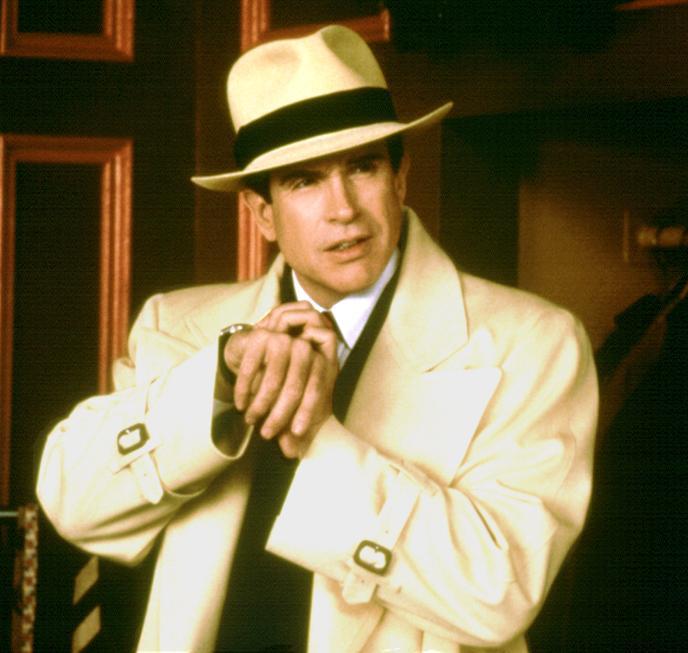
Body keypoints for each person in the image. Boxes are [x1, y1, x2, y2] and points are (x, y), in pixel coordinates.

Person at [35, 25, 597, 653]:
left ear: (400, 178)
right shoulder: (179, 327)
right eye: (305, 181)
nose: (343, 208)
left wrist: (318, 436)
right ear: (262, 215)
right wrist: (219, 383)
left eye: (363, 167)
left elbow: (500, 593)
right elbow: (74, 505)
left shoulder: (532, 344)